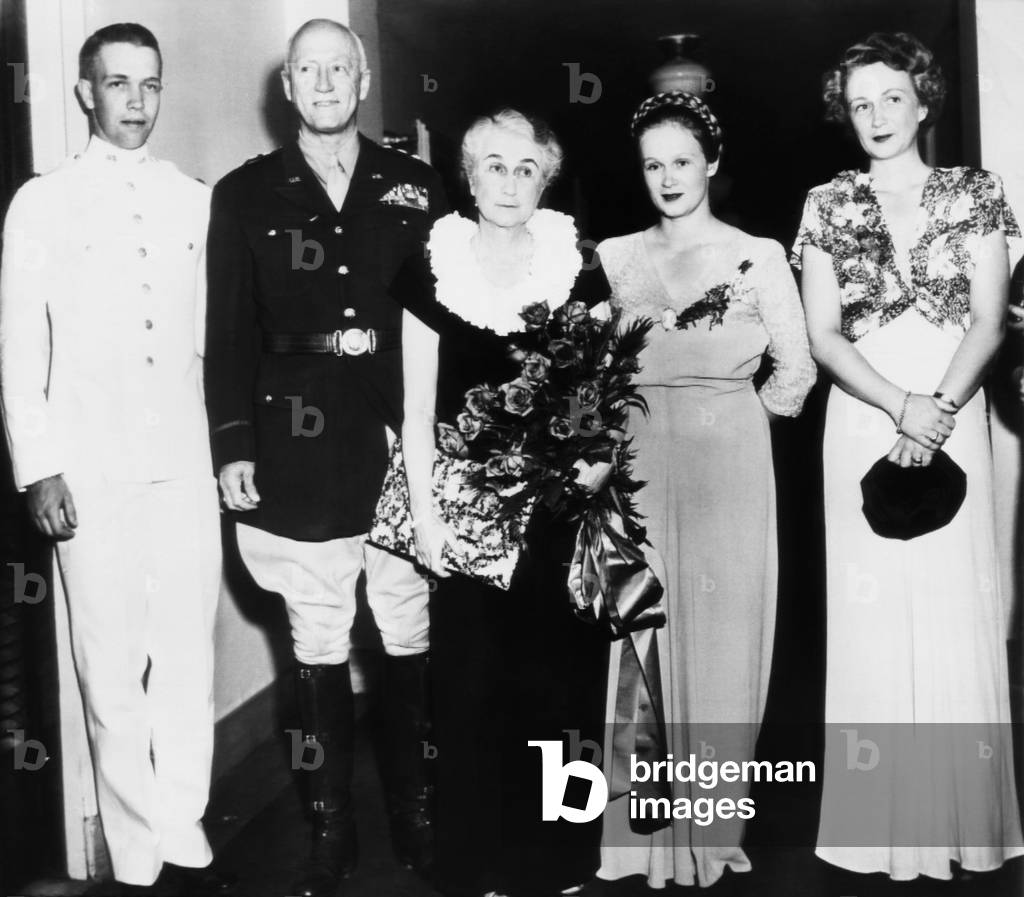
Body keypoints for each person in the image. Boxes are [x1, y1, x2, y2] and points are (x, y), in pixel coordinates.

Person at [203, 19, 446, 897]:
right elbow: (227, 333)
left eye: (340, 67)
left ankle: (418, 813)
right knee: (318, 639)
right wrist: (232, 443)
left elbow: (446, 319)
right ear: (289, 86)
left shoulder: (417, 186)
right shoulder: (245, 193)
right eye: (309, 69)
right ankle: (330, 826)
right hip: (293, 445)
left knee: (406, 629)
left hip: (393, 439)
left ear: (364, 76)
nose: (325, 81)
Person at [0, 23, 226, 896]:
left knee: (185, 655)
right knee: (107, 657)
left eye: (150, 84)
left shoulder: (195, 200)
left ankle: (182, 818)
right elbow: (20, 347)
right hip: (87, 469)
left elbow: (217, 341)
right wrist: (39, 467)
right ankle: (132, 841)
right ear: (85, 92)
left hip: (184, 459)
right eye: (118, 84)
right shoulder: (41, 202)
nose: (137, 102)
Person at [793, 32, 1024, 879]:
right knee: (873, 620)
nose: (876, 116)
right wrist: (901, 408)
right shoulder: (826, 203)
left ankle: (963, 822)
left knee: (954, 606)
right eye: (859, 103)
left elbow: (992, 321)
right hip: (865, 415)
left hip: (954, 406)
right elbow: (820, 335)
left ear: (924, 102)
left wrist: (939, 411)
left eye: (892, 97)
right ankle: (882, 829)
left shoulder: (976, 191)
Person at [595, 91, 816, 889]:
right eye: (653, 163)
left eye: (682, 160)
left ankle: (711, 828)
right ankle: (642, 833)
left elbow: (795, 369)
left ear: (713, 164)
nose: (667, 177)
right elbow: (595, 367)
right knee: (642, 633)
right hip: (640, 464)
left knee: (723, 644)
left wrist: (731, 422)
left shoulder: (758, 253)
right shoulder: (616, 255)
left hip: (731, 469)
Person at [390, 108, 612, 897]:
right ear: (468, 175)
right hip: (471, 514)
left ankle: (560, 861)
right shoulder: (432, 267)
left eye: (526, 167)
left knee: (560, 688)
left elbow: (598, 392)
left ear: (545, 178)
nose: (509, 181)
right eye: (493, 164)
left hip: (556, 511)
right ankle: (477, 864)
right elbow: (417, 410)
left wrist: (593, 461)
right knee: (472, 690)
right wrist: (426, 516)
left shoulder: (576, 267)